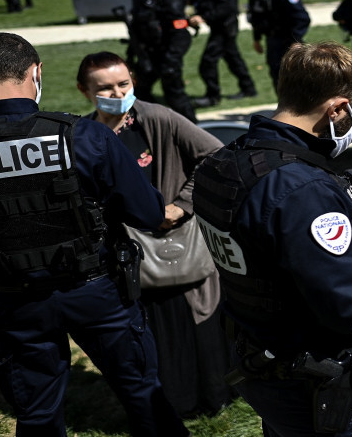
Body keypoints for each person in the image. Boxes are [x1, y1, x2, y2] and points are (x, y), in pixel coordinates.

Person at [192, 41, 352, 436]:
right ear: (338, 110)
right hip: (314, 377)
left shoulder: (226, 161)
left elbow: (270, 239)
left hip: (259, 357)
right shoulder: (300, 188)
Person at [0, 32, 188, 436]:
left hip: (13, 299)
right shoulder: (84, 136)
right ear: (36, 72)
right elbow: (147, 213)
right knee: (142, 394)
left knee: (37, 414)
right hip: (96, 292)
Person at [75, 51, 233, 418]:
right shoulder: (84, 135)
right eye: (105, 88)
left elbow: (216, 156)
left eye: (123, 84)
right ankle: (167, 403)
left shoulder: (156, 118)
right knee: (148, 335)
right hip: (126, 259)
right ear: (84, 90)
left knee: (192, 326)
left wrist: (181, 204)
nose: (116, 93)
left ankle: (210, 396)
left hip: (176, 250)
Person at [111, 0, 196, 123]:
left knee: (175, 95)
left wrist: (171, 60)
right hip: (147, 54)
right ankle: (154, 126)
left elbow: (180, 31)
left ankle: (193, 130)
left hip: (166, 53)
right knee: (140, 94)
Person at [183, 0, 258, 108]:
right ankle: (249, 88)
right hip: (220, 27)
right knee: (233, 58)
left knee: (208, 62)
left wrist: (203, 17)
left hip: (225, 28)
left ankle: (213, 96)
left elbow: (227, 7)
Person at [239, 0, 311, 89]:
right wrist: (257, 38)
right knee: (276, 76)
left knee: (293, 79)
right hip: (272, 40)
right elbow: (257, 14)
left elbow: (301, 17)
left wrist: (295, 40)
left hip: (288, 40)